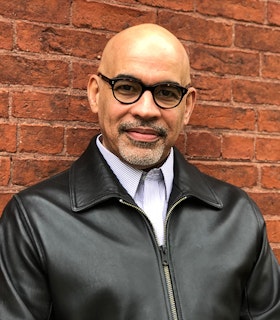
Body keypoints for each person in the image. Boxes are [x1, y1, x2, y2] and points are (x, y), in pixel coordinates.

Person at [0, 23, 279, 320]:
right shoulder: (35, 219)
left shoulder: (237, 215)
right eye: (127, 88)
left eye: (167, 92)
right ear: (95, 94)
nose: (146, 110)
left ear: (187, 106)